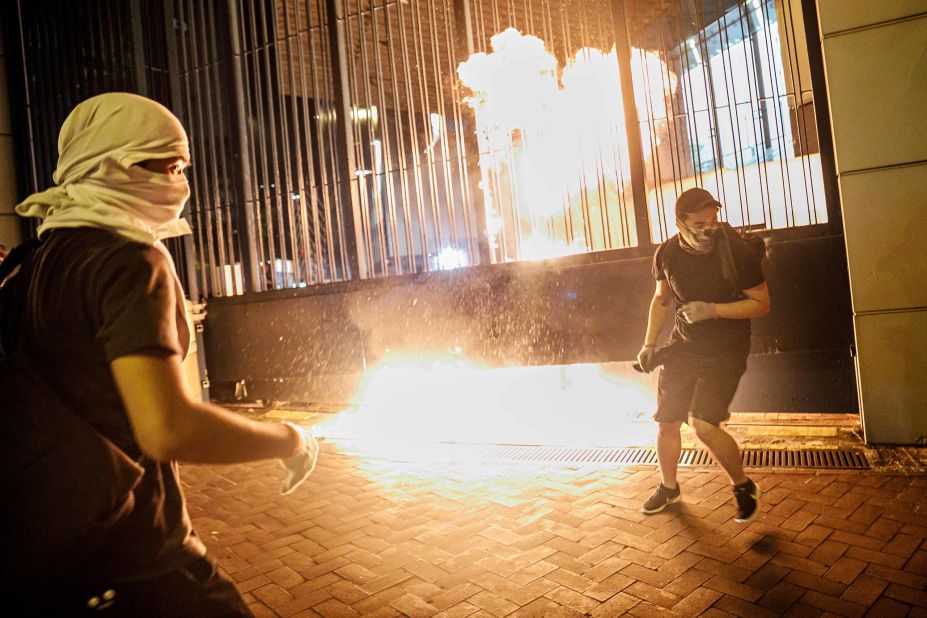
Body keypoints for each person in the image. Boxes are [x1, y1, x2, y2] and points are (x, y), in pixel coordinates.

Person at [0, 93, 318, 615]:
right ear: (108, 162)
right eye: (164, 165)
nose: (179, 184)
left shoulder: (32, 263)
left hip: (52, 554)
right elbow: (168, 428)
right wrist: (290, 437)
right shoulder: (129, 260)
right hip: (143, 559)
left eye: (181, 167)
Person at [636, 187, 769, 523]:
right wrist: (649, 345)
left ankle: (743, 486)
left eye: (712, 220)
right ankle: (669, 488)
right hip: (684, 346)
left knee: (703, 425)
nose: (708, 229)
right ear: (680, 223)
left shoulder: (736, 252)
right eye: (699, 223)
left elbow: (762, 304)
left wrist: (711, 310)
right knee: (667, 421)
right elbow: (662, 300)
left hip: (726, 350)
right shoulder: (667, 253)